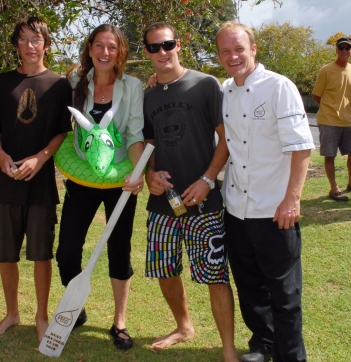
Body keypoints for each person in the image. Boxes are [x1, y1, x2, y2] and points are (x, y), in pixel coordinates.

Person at [216, 21, 315, 362]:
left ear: (253, 49)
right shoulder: (224, 90)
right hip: (237, 208)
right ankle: (264, 344)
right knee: (249, 286)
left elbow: (302, 147)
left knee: (284, 292)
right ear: (219, 55)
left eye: (239, 48)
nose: (233, 56)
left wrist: (293, 198)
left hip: (275, 208)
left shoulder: (279, 87)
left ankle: (291, 356)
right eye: (225, 51)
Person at [143, 22, 238, 362]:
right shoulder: (148, 94)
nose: (162, 52)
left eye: (167, 44)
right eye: (154, 48)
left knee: (215, 274)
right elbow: (147, 144)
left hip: (205, 201)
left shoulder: (205, 85)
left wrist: (208, 179)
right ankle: (184, 327)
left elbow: (227, 139)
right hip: (162, 205)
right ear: (146, 53)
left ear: (178, 45)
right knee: (165, 271)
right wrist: (150, 174)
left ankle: (228, 349)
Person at [55, 24, 144, 350]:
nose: (105, 53)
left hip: (120, 179)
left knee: (118, 249)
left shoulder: (132, 86)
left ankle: (119, 321)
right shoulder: (75, 82)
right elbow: (61, 127)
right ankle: (74, 308)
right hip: (82, 180)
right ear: (90, 47)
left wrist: (138, 173)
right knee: (66, 252)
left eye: (112, 47)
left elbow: (135, 134)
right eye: (99, 46)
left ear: (120, 52)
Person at [0, 17, 72, 342]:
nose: (31, 46)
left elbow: (62, 132)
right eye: (24, 39)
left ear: (46, 44)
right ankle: (12, 313)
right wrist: (0, 156)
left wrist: (41, 158)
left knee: (41, 254)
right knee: (6, 253)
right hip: (5, 181)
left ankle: (42, 316)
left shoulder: (59, 84)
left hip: (41, 183)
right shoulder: (2, 82)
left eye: (37, 39)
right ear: (16, 45)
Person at [312, 36, 351, 201]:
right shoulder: (326, 70)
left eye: (347, 48)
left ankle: (350, 183)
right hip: (328, 121)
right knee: (330, 156)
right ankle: (334, 189)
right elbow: (316, 96)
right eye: (341, 47)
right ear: (336, 50)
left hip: (348, 121)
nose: (344, 50)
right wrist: (330, 109)